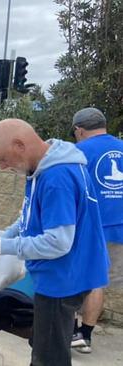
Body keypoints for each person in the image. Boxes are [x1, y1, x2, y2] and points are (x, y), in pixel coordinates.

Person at [0, 119, 109, 366]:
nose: (2, 167)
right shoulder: (39, 168)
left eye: (3, 159)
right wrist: (3, 238)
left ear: (20, 145)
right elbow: (28, 216)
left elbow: (58, 242)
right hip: (65, 274)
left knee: (49, 357)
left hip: (63, 279)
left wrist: (3, 248)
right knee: (46, 348)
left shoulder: (56, 177)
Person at [71, 107, 123, 354]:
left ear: (79, 130)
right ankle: (86, 335)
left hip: (91, 228)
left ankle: (71, 331)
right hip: (120, 228)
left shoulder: (78, 151)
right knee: (99, 281)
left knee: (75, 277)